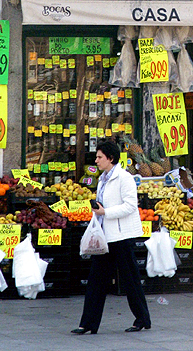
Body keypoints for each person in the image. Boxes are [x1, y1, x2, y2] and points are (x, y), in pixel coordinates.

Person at [71, 141, 151, 335]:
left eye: (99, 157)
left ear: (111, 158)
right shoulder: (103, 179)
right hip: (105, 236)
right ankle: (88, 323)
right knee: (96, 280)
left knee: (130, 279)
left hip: (122, 236)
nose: (96, 160)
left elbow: (131, 206)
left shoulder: (124, 178)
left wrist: (105, 211)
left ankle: (142, 319)